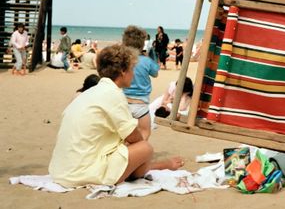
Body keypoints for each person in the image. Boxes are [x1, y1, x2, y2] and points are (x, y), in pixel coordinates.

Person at [48, 44, 184, 187]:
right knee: (145, 147)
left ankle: (151, 166)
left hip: (61, 170)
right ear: (123, 71)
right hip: (81, 172)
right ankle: (159, 166)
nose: (133, 73)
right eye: (132, 69)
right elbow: (134, 138)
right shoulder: (113, 94)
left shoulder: (90, 93)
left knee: (129, 147)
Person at [122, 25, 160, 141]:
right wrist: (152, 56)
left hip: (123, 102)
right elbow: (155, 73)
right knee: (144, 132)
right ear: (142, 44)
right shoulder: (146, 61)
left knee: (123, 134)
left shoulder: (122, 60)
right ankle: (139, 151)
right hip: (141, 104)